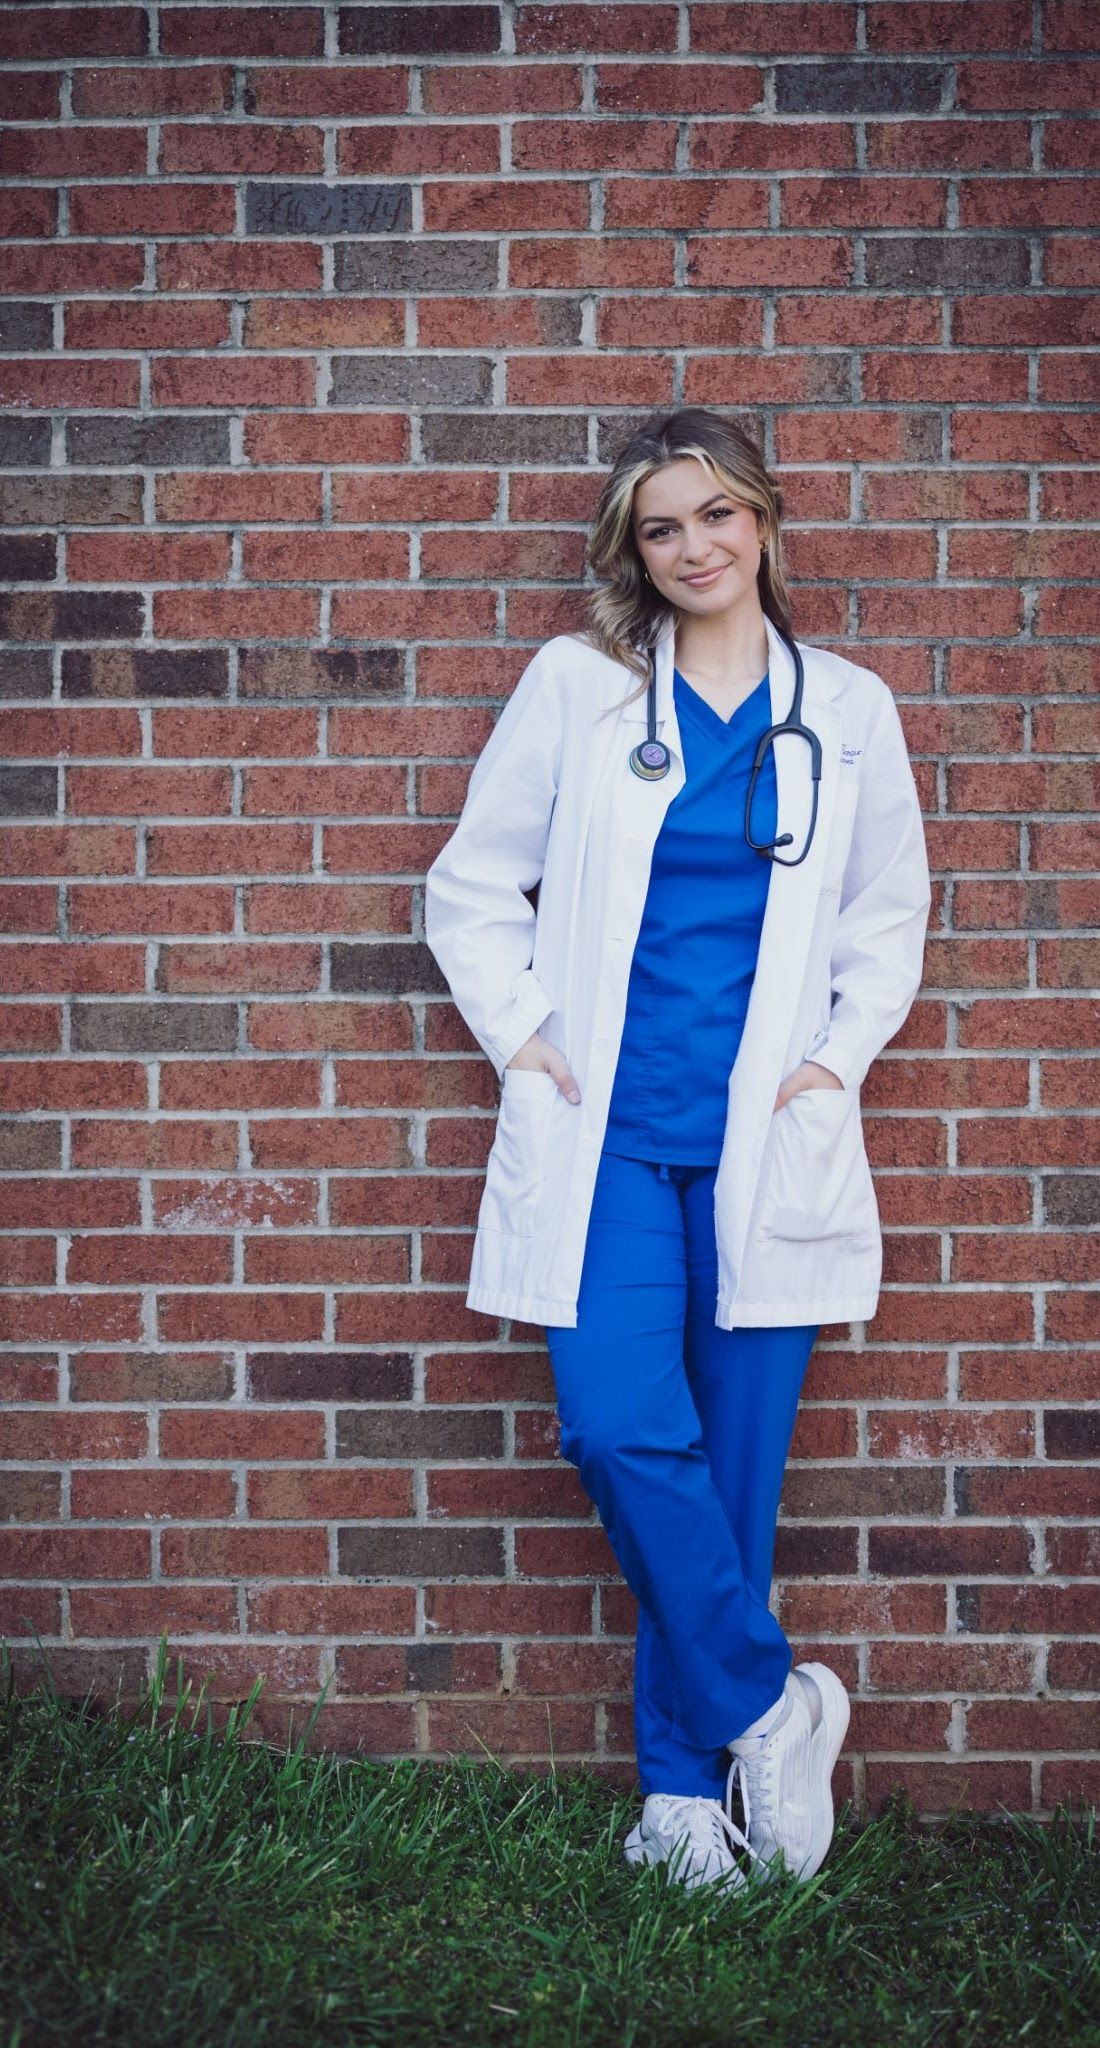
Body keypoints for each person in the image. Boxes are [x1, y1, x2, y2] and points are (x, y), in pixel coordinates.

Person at [424, 406, 932, 1896]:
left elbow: (885, 925)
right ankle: (776, 1705)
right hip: (611, 1143)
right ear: (632, 553)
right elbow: (471, 888)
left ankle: (676, 1799)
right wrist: (523, 1036)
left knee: (733, 1481)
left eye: (716, 516)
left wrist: (835, 1065)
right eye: (663, 527)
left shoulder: (844, 707)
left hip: (768, 1145)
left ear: (764, 520)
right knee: (616, 1429)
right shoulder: (579, 691)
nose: (695, 547)